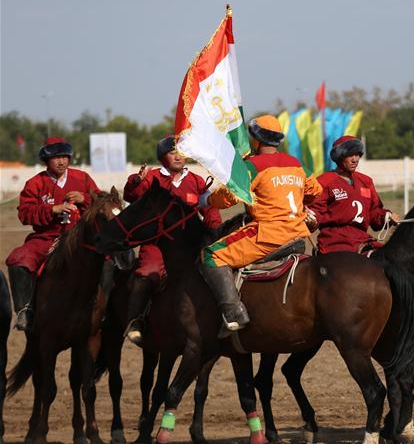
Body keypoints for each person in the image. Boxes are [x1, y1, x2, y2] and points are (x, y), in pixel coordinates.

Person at [200, 115, 322, 333]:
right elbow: (316, 191)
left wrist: (206, 199)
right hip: (299, 236)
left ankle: (233, 312)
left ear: (256, 140)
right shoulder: (295, 163)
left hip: (268, 236)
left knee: (211, 255)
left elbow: (228, 198)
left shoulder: (253, 166)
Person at [121, 136, 223, 345]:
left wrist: (215, 231)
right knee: (148, 273)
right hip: (157, 244)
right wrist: (136, 182)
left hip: (190, 245)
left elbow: (209, 208)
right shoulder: (152, 178)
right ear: (162, 157)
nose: (178, 156)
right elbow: (132, 195)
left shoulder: (195, 180)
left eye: (181, 152)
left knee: (212, 271)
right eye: (172, 152)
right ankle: (136, 320)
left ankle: (218, 316)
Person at [5, 137, 100, 331]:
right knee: (18, 259)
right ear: (46, 160)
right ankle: (25, 310)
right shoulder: (35, 183)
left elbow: (102, 202)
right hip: (46, 238)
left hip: (79, 237)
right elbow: (24, 213)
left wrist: (85, 198)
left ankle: (110, 309)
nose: (62, 161)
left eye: (65, 156)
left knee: (111, 257)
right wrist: (52, 210)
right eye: (56, 157)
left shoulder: (82, 178)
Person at [306, 135, 394, 254]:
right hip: (334, 242)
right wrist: (310, 219)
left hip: (363, 240)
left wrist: (387, 217)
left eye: (357, 155)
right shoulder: (324, 181)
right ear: (340, 157)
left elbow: (374, 212)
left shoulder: (366, 181)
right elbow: (314, 213)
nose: (355, 159)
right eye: (350, 155)